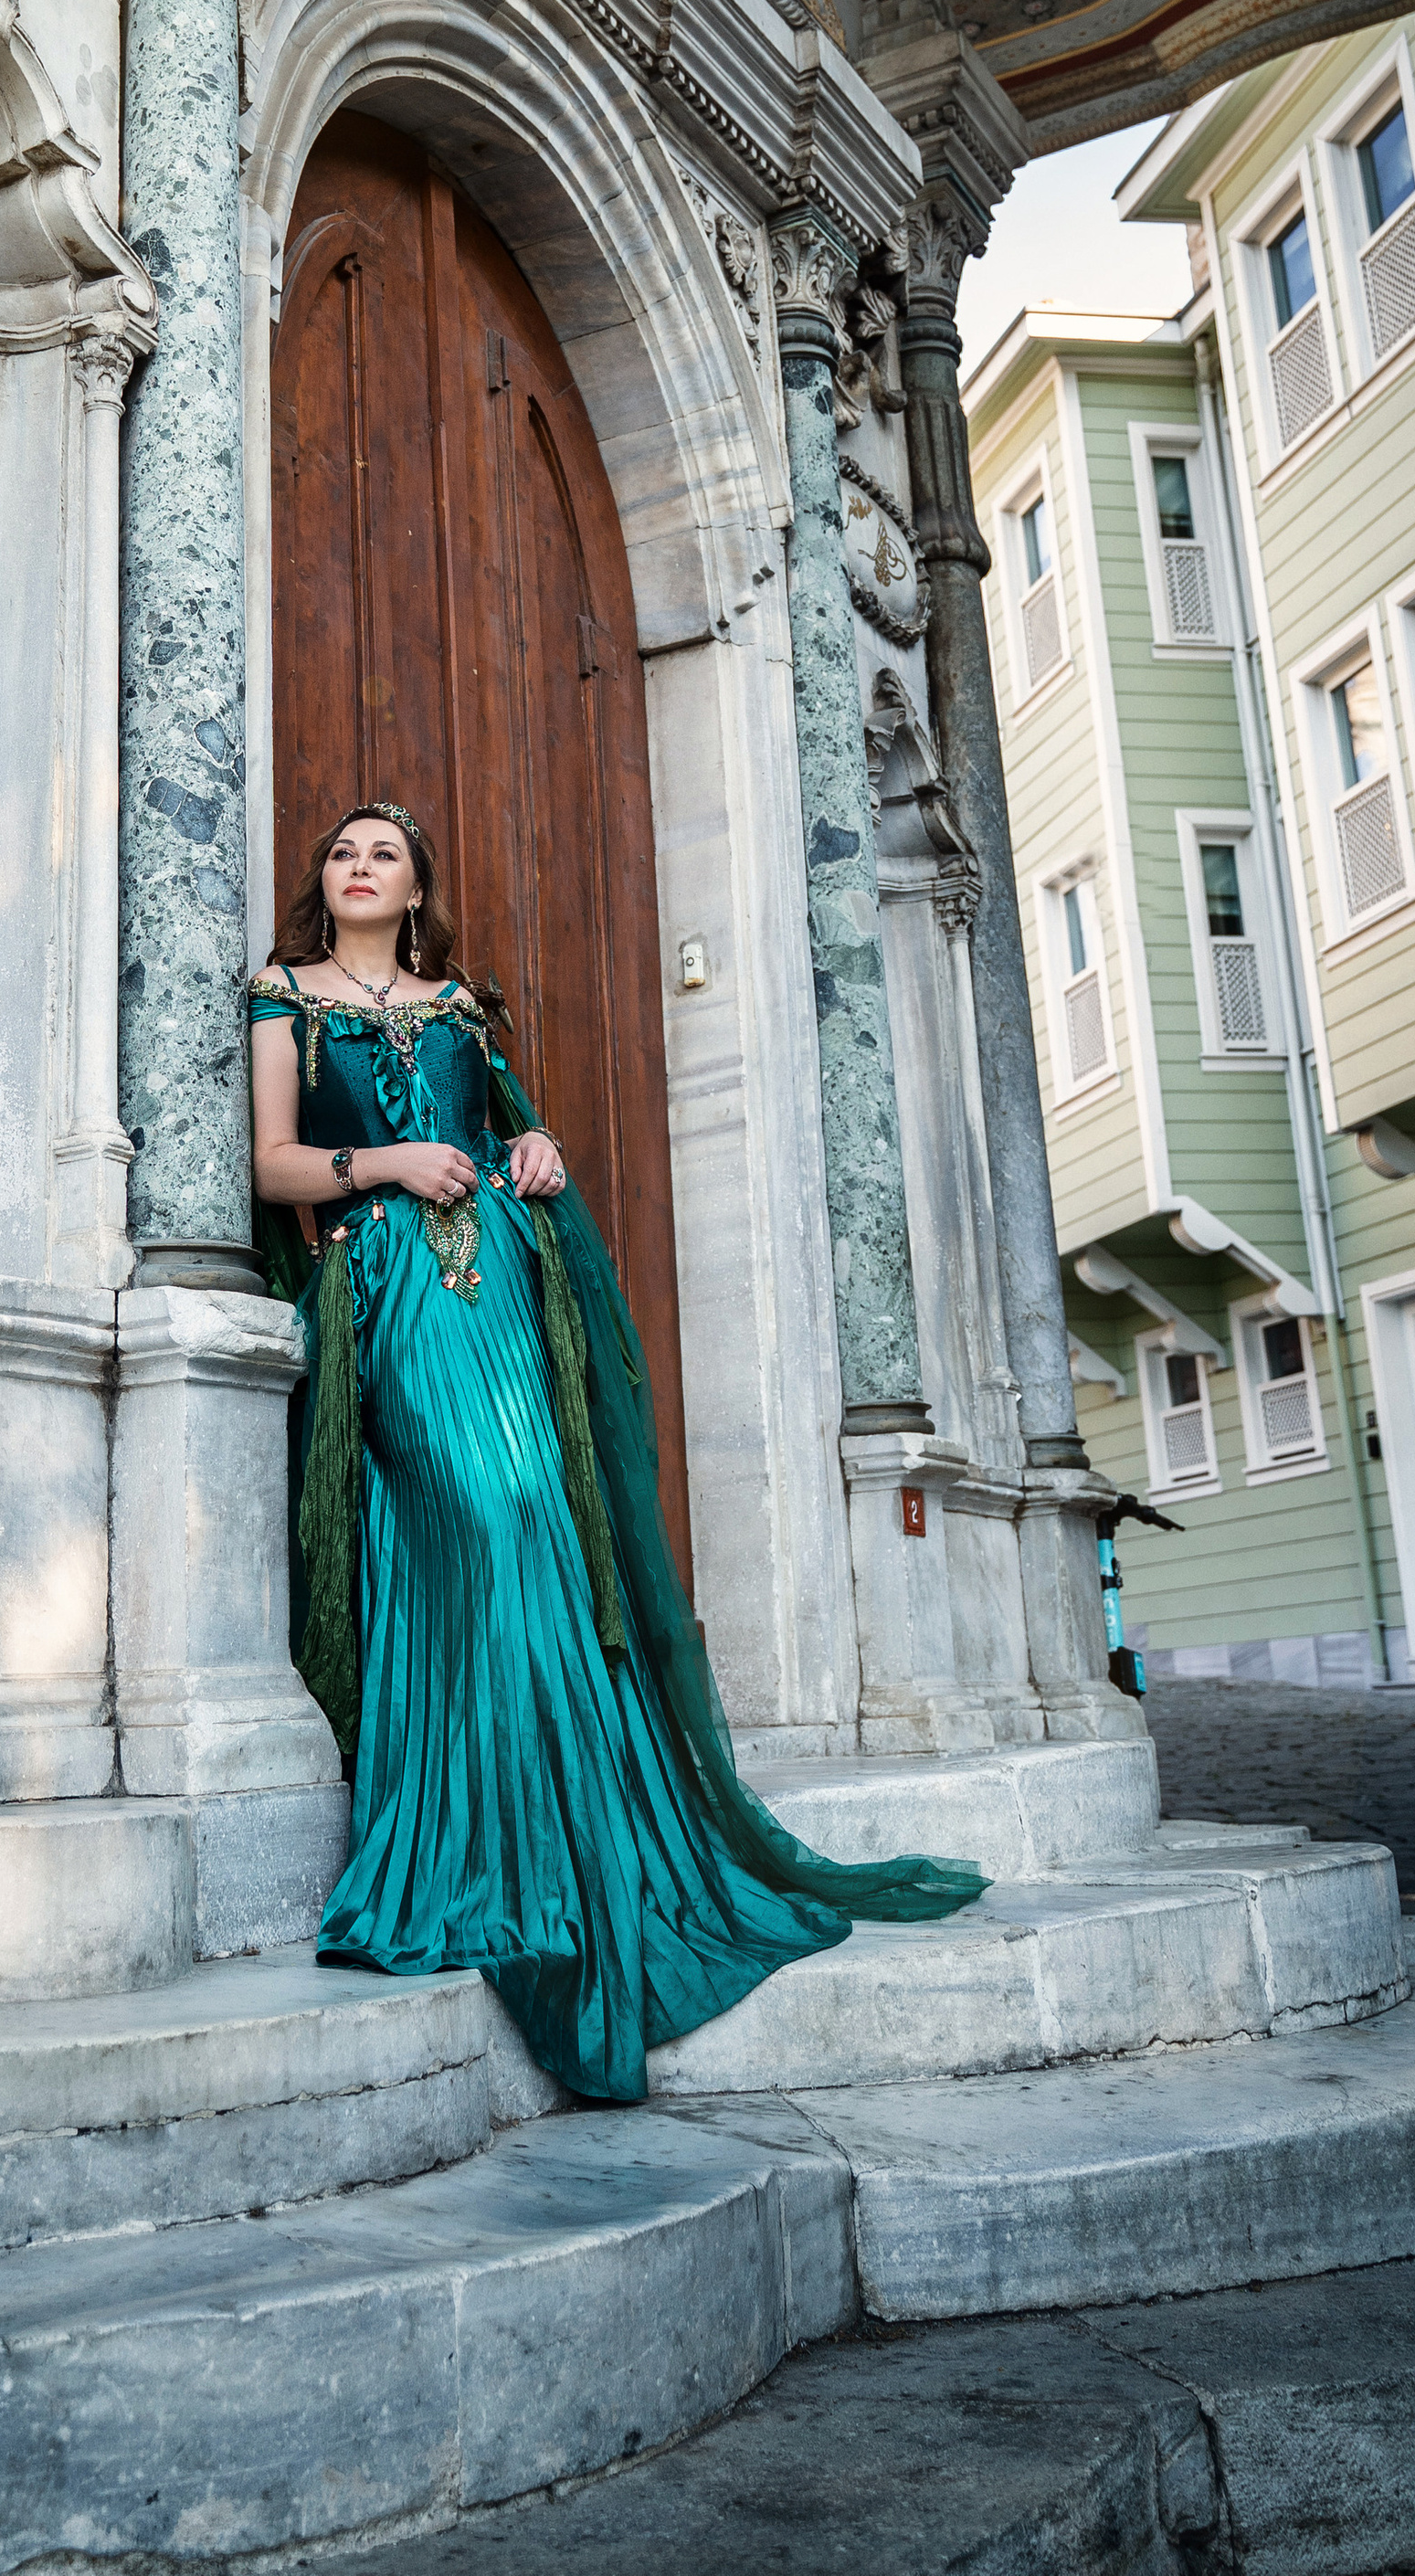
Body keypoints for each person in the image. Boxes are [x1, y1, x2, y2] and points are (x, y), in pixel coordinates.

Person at [249, 799, 984, 2104]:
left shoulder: (462, 1004)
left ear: (417, 888)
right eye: (341, 853)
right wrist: (391, 1161)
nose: (356, 866)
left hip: (500, 1295)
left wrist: (530, 1147)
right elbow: (272, 1167)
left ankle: (575, 1839)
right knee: (468, 1516)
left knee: (534, 1513)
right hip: (385, 1296)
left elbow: (509, 1136)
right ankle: (472, 1843)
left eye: (384, 854)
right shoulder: (283, 995)